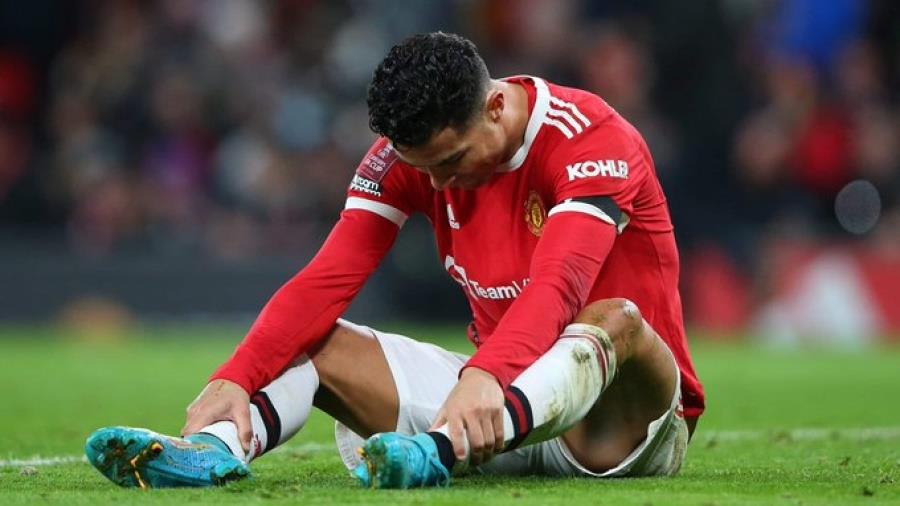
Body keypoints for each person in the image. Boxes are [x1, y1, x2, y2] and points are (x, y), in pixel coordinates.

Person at [85, 32, 705, 489]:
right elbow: (328, 278)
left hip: (619, 424)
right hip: (490, 409)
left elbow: (559, 285)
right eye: (423, 168)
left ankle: (438, 450)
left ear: (495, 107)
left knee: (615, 316)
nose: (438, 186)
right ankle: (213, 450)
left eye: (451, 161)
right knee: (314, 338)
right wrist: (236, 375)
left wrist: (486, 377)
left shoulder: (590, 139)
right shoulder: (407, 158)